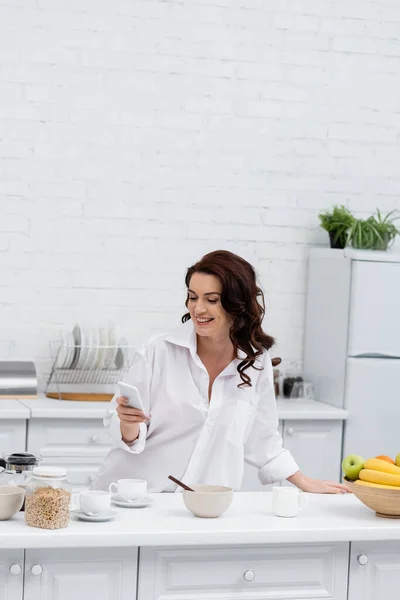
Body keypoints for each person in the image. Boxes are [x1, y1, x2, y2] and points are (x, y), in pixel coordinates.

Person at [92, 250, 348, 494]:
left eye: (211, 300)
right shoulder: (157, 351)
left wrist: (304, 481)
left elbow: (263, 439)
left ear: (236, 305)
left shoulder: (256, 363)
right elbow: (125, 430)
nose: (198, 309)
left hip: (203, 506)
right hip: (135, 498)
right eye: (193, 297)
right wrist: (128, 423)